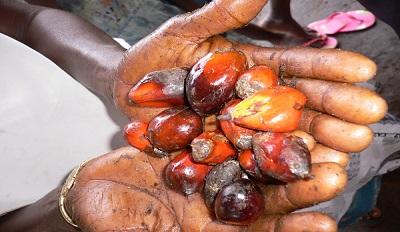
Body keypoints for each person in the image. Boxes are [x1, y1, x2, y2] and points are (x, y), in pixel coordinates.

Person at [0, 0, 383, 231]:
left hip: (147, 117)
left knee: (339, 162)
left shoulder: (226, 124)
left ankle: (369, 193)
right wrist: (64, 212)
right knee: (319, 185)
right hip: (119, 195)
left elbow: (26, 18)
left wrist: (111, 71)